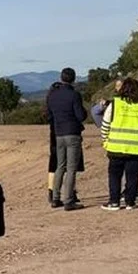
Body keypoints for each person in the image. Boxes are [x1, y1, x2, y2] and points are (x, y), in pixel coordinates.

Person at [99, 77, 138, 211]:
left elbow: (105, 126)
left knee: (114, 175)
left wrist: (106, 141)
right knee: (133, 175)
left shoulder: (114, 104)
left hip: (115, 147)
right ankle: (130, 201)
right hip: (137, 148)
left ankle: (114, 202)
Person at [45, 67, 88, 211]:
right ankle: (69, 200)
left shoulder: (52, 95)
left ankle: (55, 198)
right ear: (73, 79)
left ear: (61, 77)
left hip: (58, 134)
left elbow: (49, 115)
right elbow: (80, 116)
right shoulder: (74, 95)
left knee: (60, 166)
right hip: (72, 133)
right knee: (71, 168)